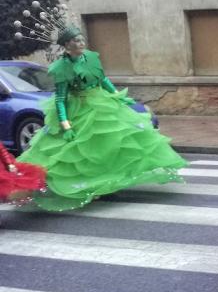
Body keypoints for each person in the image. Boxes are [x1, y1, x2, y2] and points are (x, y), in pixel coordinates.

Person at [17, 27, 187, 211]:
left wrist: (117, 95)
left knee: (114, 143)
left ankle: (108, 182)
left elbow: (103, 79)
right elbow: (60, 99)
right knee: (81, 151)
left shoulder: (91, 58)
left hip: (103, 104)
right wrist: (66, 126)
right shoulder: (61, 68)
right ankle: (87, 185)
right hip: (80, 110)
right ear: (66, 45)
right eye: (76, 40)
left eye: (82, 39)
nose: (81, 43)